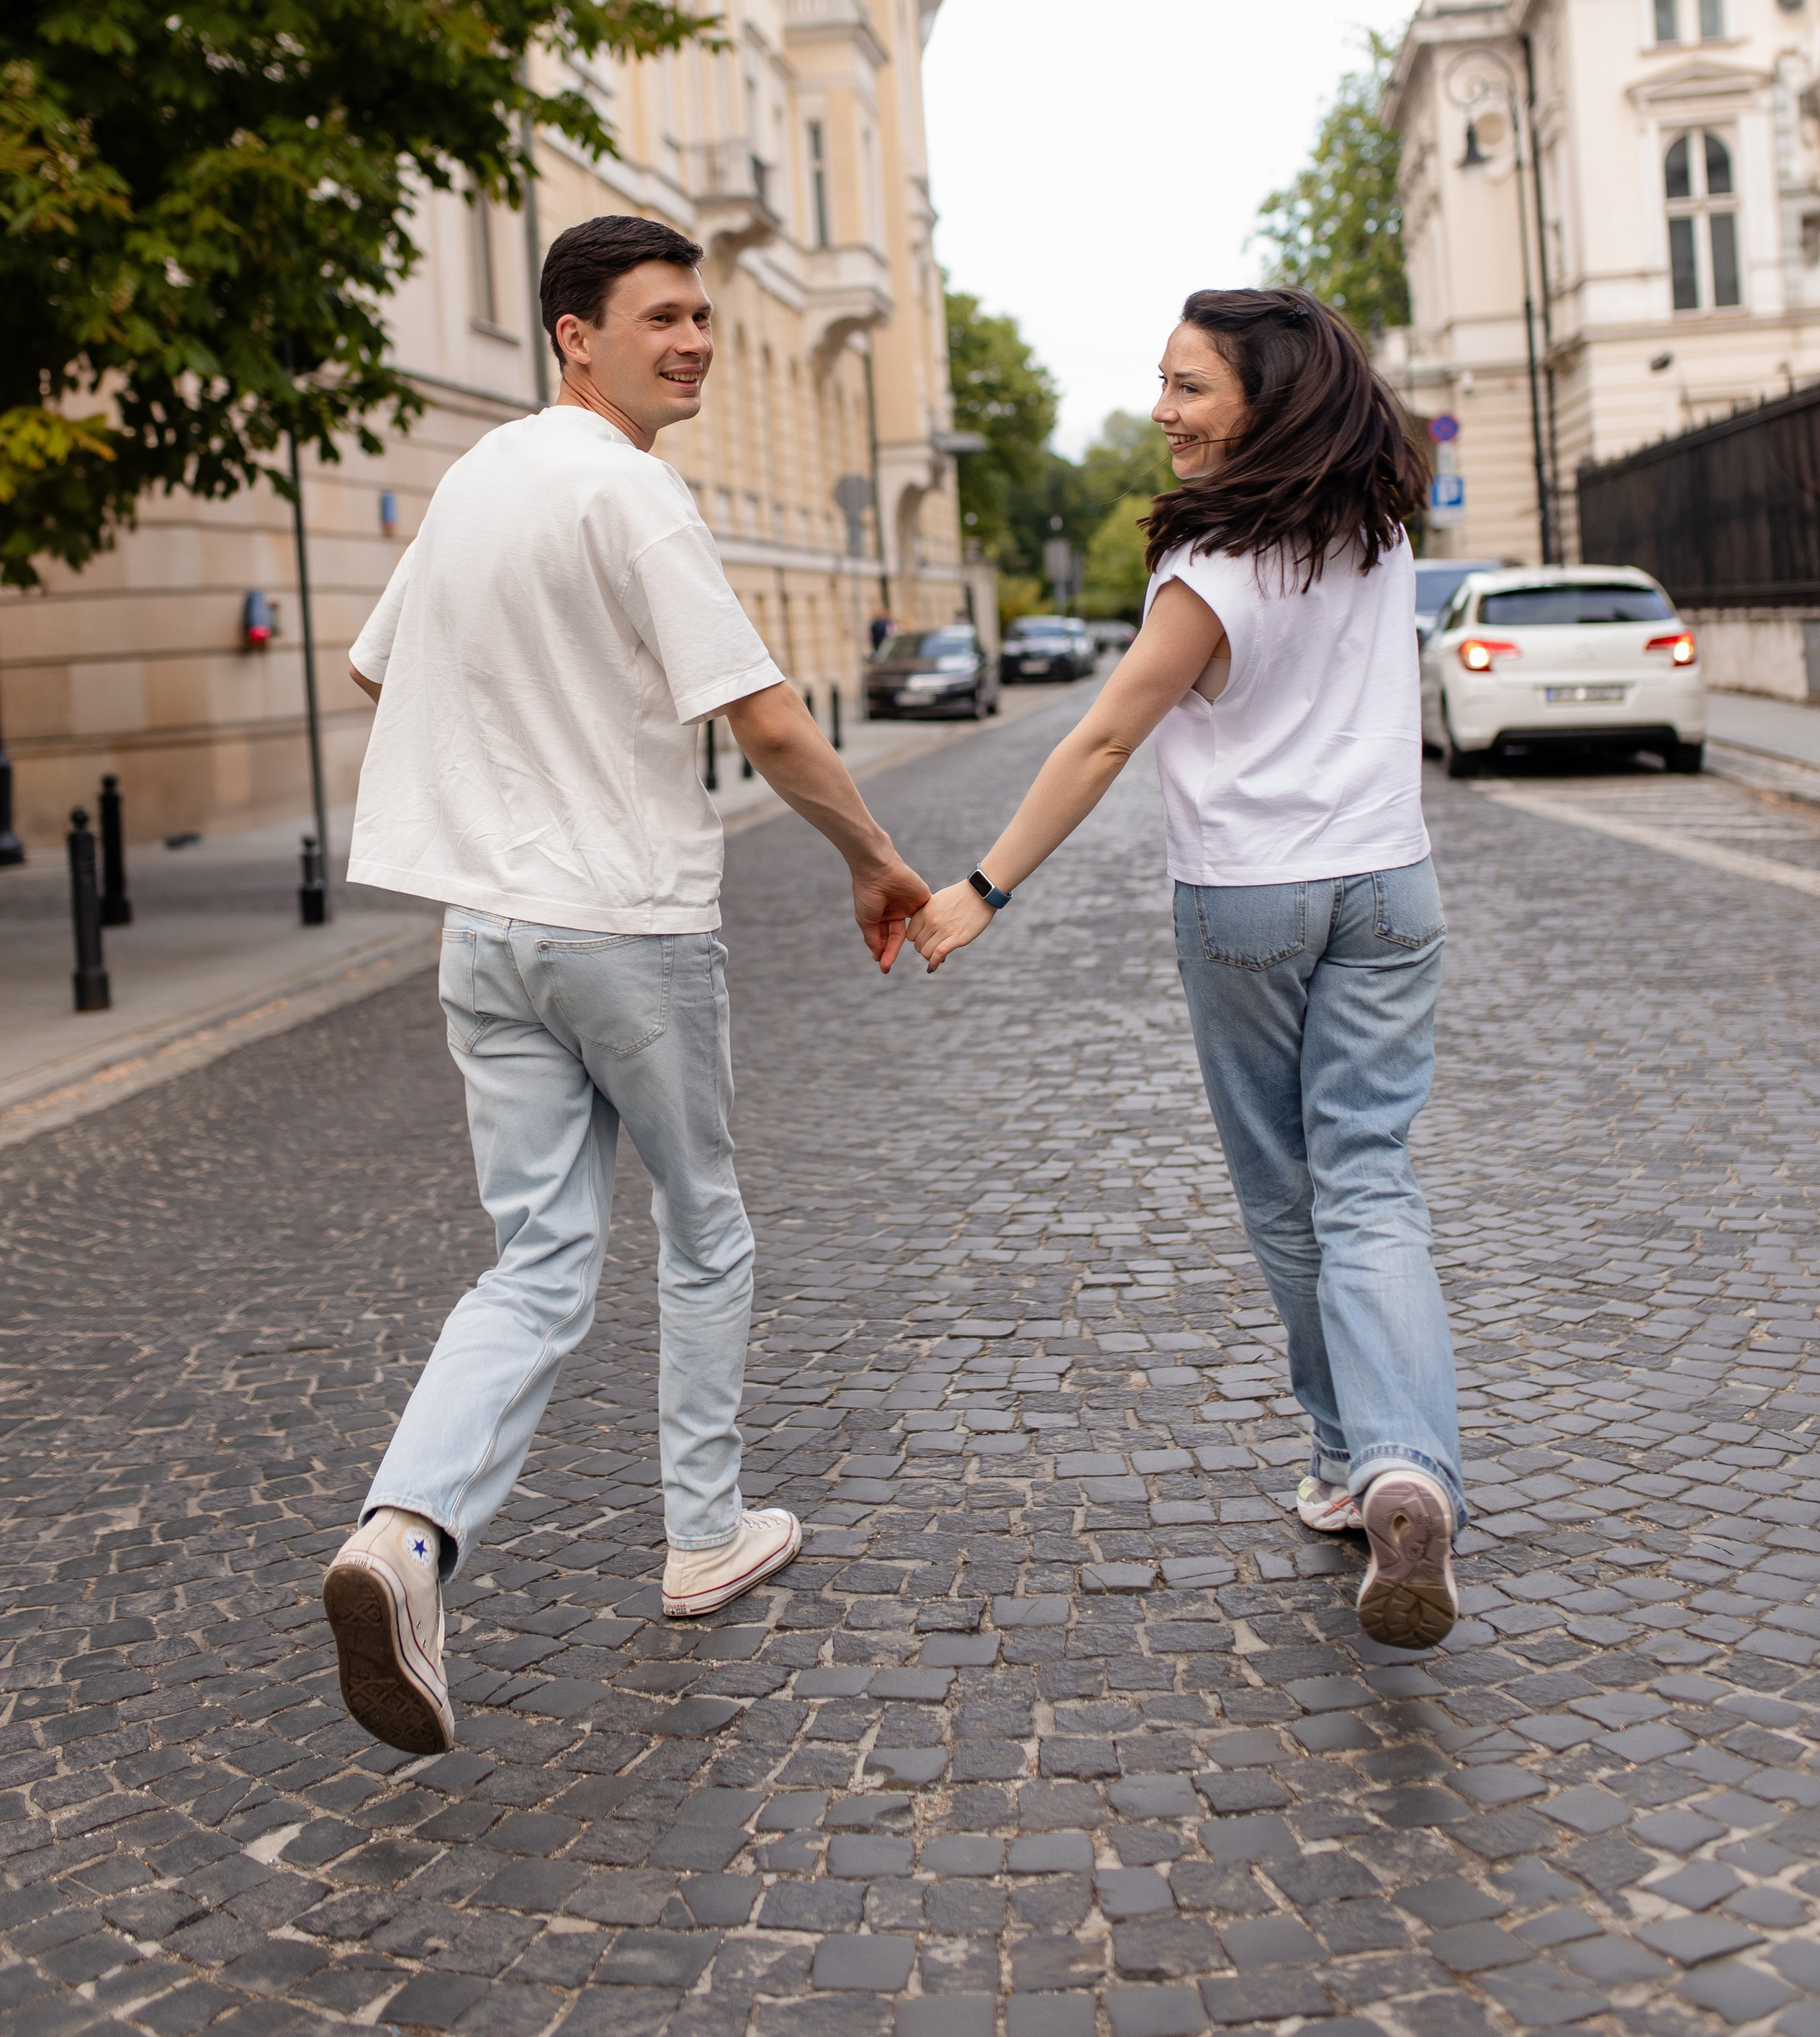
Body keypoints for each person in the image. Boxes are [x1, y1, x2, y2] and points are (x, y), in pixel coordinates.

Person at [321, 214, 927, 1755]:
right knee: (705, 1225)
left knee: (533, 1262)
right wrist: (870, 858)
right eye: (662, 317)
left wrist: (516, 719)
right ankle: (702, 1532)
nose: (696, 339)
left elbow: (374, 667)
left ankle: (402, 1541)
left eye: (703, 315)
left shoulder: (475, 480)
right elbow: (771, 723)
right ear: (572, 335)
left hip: (487, 932)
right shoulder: (635, 491)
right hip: (628, 928)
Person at [909, 287, 1464, 1651]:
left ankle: (1353, 1463)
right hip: (1390, 883)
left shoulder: (1209, 569)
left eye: (1189, 389)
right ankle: (1405, 1473)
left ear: (1262, 403)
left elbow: (1102, 740)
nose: (1163, 412)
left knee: (1290, 1192)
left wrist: (983, 887)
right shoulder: (1381, 527)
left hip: (1251, 899)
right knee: (1373, 1178)